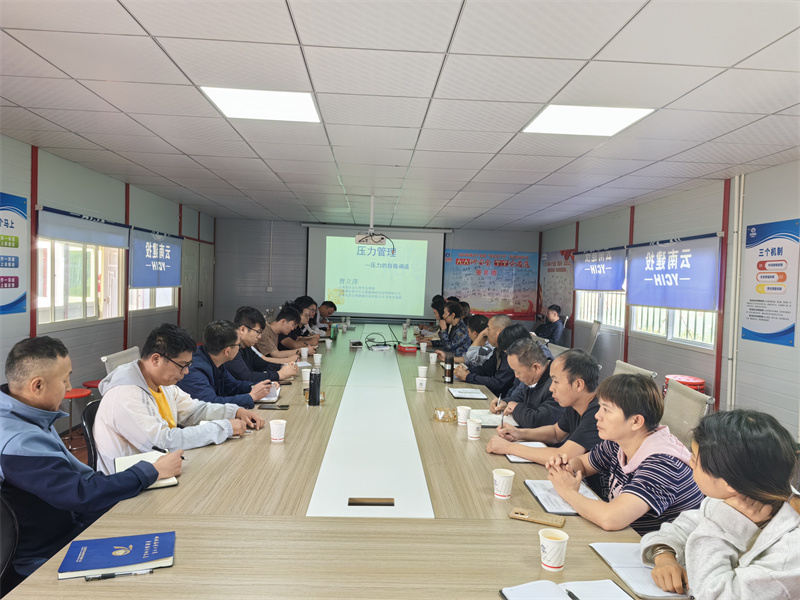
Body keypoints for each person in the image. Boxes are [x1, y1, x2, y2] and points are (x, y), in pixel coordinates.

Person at [0, 336, 182, 581]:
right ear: (37, 386)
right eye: (64, 379)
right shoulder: (18, 441)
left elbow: (81, 479)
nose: (68, 387)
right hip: (47, 555)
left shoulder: (28, 416)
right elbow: (79, 494)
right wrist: (152, 471)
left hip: (68, 528)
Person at [641, 410, 800, 599]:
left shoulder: (791, 552)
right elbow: (677, 531)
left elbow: (715, 595)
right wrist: (664, 556)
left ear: (728, 483)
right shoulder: (735, 497)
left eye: (694, 459)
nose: (690, 464)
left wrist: (728, 524)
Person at [95, 323, 265, 475]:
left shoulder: (161, 383)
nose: (186, 372)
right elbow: (162, 442)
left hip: (158, 471)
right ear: (156, 359)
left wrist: (235, 411)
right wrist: (224, 428)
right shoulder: (125, 394)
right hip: (129, 485)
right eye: (182, 365)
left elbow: (194, 411)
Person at [545, 374, 703, 535]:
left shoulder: (663, 464)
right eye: (600, 407)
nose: (597, 415)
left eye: (606, 410)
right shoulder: (619, 442)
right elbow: (583, 464)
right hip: (625, 538)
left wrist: (567, 491)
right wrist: (567, 470)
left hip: (657, 548)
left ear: (636, 422)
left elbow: (610, 519)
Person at [486, 349, 603, 483]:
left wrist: (509, 448)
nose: (551, 388)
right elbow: (555, 432)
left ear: (578, 384)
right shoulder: (576, 405)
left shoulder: (599, 413)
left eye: (556, 381)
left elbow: (564, 455)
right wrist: (519, 433)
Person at [178, 320, 273, 409]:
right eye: (239, 345)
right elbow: (210, 404)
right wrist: (251, 397)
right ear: (227, 351)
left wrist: (263, 386)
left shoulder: (215, 359)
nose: (240, 348)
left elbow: (233, 386)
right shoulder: (193, 370)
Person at [491, 337, 564, 429]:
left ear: (536, 368)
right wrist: (505, 402)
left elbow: (539, 421)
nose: (516, 376)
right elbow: (522, 395)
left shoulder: (555, 385)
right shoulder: (534, 378)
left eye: (517, 372)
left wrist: (516, 408)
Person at [454, 318, 524, 397]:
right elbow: (485, 369)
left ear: (499, 332)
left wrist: (468, 377)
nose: (486, 333)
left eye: (488, 329)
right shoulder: (498, 349)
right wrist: (466, 371)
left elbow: (498, 383)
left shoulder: (511, 351)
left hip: (501, 398)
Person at [226, 306, 298, 383]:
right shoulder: (230, 347)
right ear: (243, 329)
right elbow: (246, 376)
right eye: (258, 332)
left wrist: (284, 367)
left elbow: (263, 365)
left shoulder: (246, 346)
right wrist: (279, 375)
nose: (259, 337)